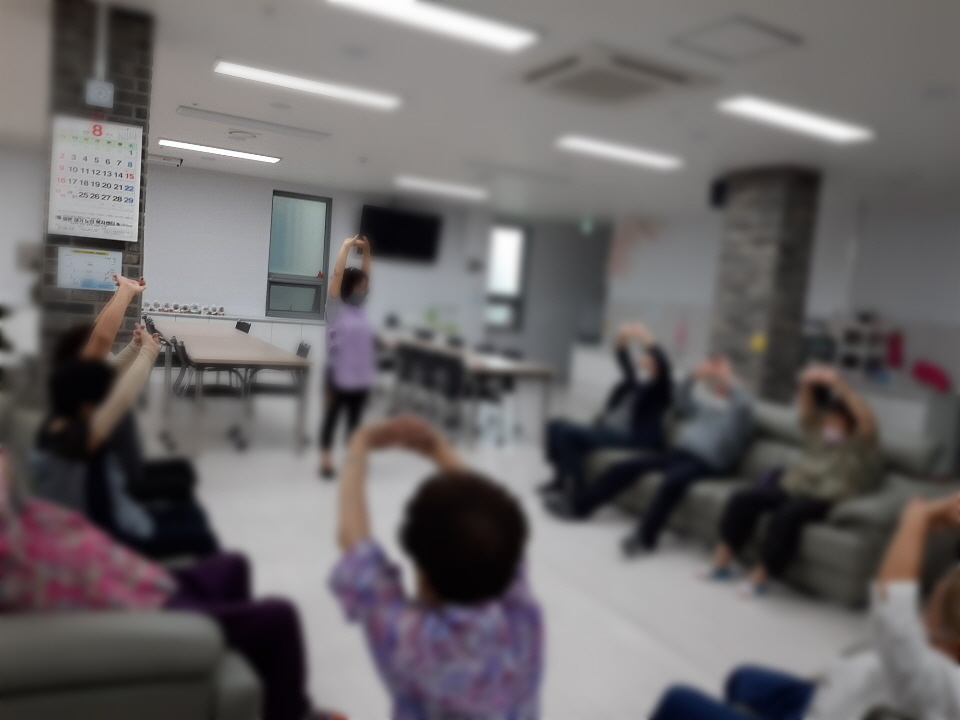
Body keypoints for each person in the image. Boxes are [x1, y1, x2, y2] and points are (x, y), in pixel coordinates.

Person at [0, 447, 329, 720]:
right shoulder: (9, 548)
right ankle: (293, 713)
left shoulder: (21, 511)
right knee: (280, 616)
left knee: (234, 564)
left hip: (139, 580)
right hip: (133, 610)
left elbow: (18, 499)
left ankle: (255, 684)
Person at [649, 493, 960, 720]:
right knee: (743, 679)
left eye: (932, 607)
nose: (923, 612)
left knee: (678, 701)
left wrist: (915, 521)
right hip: (823, 699)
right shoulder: (929, 665)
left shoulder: (943, 682)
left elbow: (893, 621)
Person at [329, 415, 543, 720]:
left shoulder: (414, 644)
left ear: (422, 576)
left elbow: (353, 544)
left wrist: (359, 442)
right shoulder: (518, 612)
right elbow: (490, 522)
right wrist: (437, 449)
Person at [34, 293, 219, 560]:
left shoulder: (63, 419)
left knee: (188, 501)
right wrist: (148, 351)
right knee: (198, 531)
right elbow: (119, 392)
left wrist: (135, 344)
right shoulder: (74, 438)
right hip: (113, 535)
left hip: (119, 507)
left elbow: (103, 358)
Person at [546, 355, 753, 557]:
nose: (719, 384)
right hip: (680, 453)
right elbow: (680, 400)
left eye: (724, 383)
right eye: (718, 382)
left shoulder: (740, 414)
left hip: (706, 462)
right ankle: (579, 507)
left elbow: (743, 403)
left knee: (673, 481)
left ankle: (645, 538)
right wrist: (693, 376)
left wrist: (727, 376)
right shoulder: (709, 408)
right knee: (626, 466)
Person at [706, 365, 882, 596]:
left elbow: (866, 420)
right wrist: (806, 382)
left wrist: (839, 385)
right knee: (743, 498)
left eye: (835, 421)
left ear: (850, 425)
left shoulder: (860, 446)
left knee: (786, 516)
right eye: (828, 419)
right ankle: (721, 565)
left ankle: (760, 578)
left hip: (822, 500)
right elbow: (807, 411)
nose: (828, 424)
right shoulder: (819, 435)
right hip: (790, 488)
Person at [539, 321, 673, 496]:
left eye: (648, 357)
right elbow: (622, 357)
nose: (643, 358)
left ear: (656, 365)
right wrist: (622, 337)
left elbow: (664, 364)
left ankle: (578, 486)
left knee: (567, 433)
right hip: (605, 428)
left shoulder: (660, 390)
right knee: (554, 424)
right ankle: (560, 479)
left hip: (625, 436)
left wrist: (643, 334)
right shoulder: (636, 383)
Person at [319, 235, 376, 479]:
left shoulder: (358, 307)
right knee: (332, 418)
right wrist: (346, 247)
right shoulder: (335, 305)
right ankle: (326, 462)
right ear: (349, 285)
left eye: (364, 286)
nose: (364, 288)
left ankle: (353, 461)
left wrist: (367, 251)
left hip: (360, 374)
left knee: (354, 420)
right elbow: (337, 274)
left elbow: (367, 275)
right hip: (337, 373)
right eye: (360, 285)